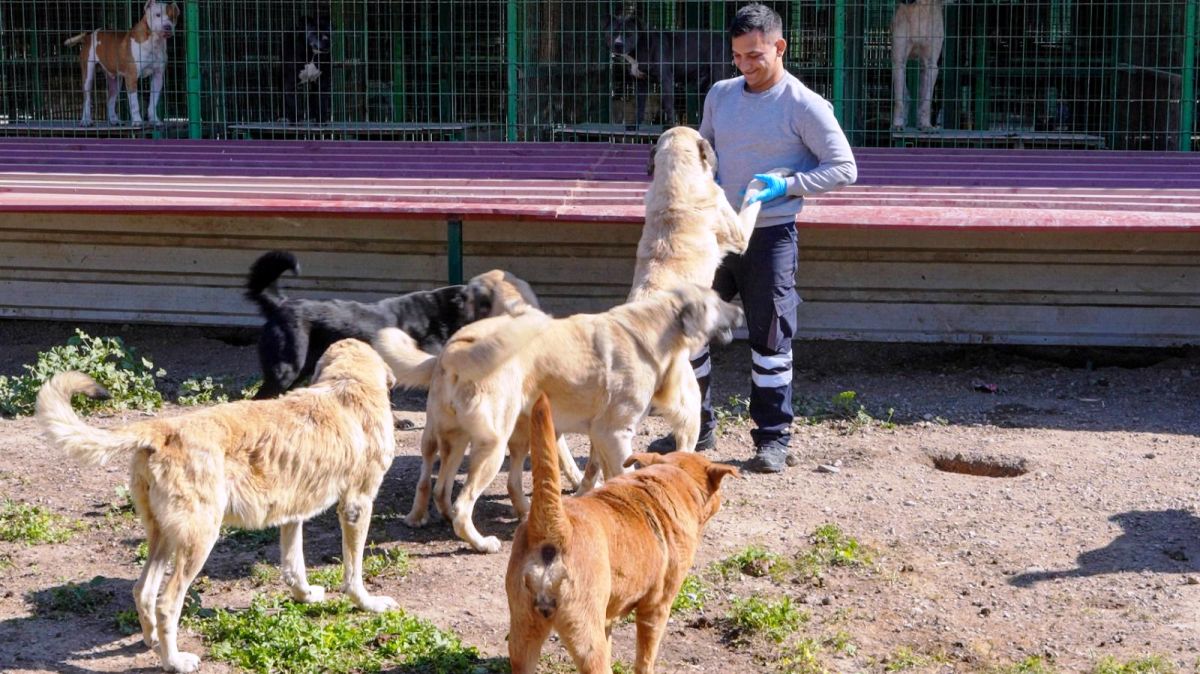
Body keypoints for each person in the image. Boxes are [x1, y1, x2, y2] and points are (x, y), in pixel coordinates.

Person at [648, 2, 857, 473]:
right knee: (689, 330)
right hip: (712, 237)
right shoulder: (721, 95)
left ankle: (772, 438)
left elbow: (845, 168)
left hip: (770, 235)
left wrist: (788, 184)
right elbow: (705, 154)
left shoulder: (804, 104)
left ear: (779, 47)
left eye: (756, 56)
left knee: (770, 337)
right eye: (738, 56)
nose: (745, 65)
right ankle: (695, 427)